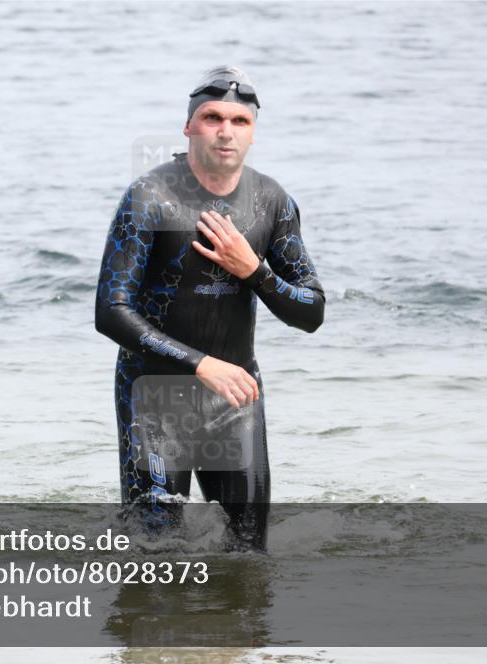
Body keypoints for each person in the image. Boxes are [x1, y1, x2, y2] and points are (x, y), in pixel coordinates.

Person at [95, 66, 324, 551]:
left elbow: (312, 311)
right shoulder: (149, 198)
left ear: (253, 132)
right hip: (154, 397)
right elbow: (110, 311)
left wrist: (254, 271)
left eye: (239, 121)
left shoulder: (271, 202)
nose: (225, 131)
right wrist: (201, 364)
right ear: (188, 127)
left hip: (235, 400)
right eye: (212, 117)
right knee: (154, 556)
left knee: (248, 556)